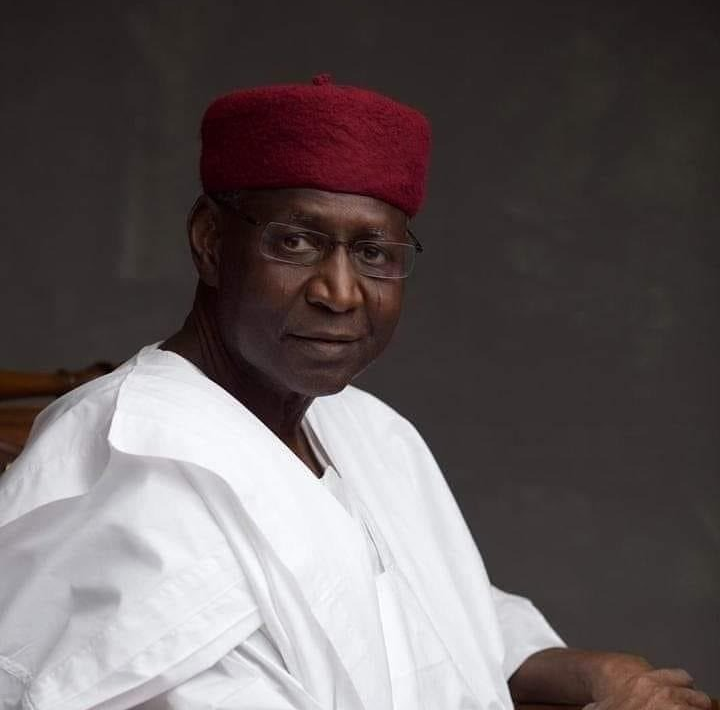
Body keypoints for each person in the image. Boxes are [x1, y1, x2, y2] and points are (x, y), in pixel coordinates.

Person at [0, 75, 711, 710]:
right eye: (297, 242)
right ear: (211, 241)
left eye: (373, 253)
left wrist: (597, 673)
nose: (340, 292)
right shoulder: (133, 467)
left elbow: (440, 620)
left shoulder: (369, 430)